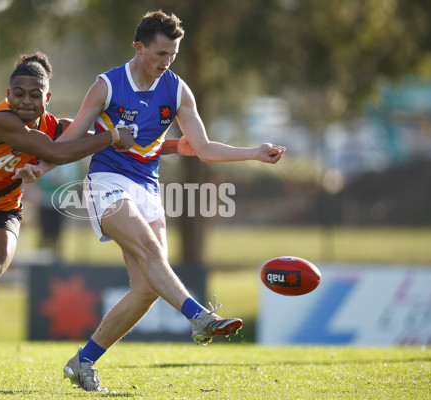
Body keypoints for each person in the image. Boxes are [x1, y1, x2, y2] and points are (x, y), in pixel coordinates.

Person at [17, 10, 286, 392]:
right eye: (161, 54)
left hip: (148, 187)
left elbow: (204, 149)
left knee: (146, 289)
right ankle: (199, 316)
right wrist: (40, 167)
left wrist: (254, 153)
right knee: (149, 248)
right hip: (106, 181)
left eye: (173, 55)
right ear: (139, 47)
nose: (166, 63)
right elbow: (72, 139)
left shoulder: (177, 90)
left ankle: (83, 362)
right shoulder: (106, 86)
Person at [0, 51, 134, 390]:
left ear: (47, 98)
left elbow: (96, 137)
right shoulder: (0, 120)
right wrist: (113, 137)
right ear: (7, 95)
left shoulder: (55, 126)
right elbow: (59, 152)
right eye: (18, 93)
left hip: (1, 213)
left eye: (35, 95)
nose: (26, 101)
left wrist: (167, 144)